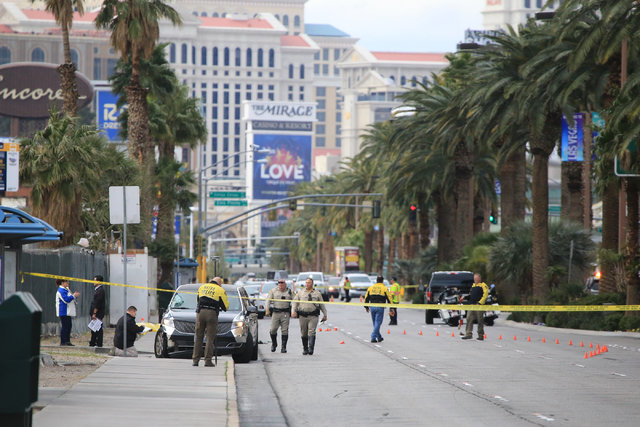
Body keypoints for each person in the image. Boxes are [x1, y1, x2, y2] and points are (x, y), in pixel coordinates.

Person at [193, 277, 229, 367]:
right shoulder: (220, 290)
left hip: (200, 313)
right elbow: (225, 307)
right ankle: (208, 360)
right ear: (219, 283)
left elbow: (198, 300)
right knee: (209, 338)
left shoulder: (202, 287)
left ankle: (195, 360)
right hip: (211, 314)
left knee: (198, 337)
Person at [292, 277, 327, 355]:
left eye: (309, 283)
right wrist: (293, 311)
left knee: (311, 331)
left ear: (312, 284)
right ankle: (305, 348)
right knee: (304, 333)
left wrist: (325, 314)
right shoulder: (300, 293)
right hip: (303, 316)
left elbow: (322, 305)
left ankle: (311, 349)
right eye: (306, 282)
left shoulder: (317, 293)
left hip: (313, 316)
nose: (307, 284)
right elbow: (295, 303)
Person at [265, 279, 293, 353]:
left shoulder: (289, 291)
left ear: (285, 284)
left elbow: (296, 300)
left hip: (285, 313)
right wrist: (267, 309)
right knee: (273, 330)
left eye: (282, 283)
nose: (280, 285)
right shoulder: (273, 291)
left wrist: (294, 311)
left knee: (285, 330)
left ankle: (283, 347)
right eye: (279, 283)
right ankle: (274, 343)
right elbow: (268, 300)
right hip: (276, 313)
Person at [364, 276, 393, 343]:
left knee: (375, 323)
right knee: (378, 322)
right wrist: (392, 307)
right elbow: (389, 298)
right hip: (380, 307)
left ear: (376, 280)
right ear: (382, 281)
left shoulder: (371, 288)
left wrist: (366, 307)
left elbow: (366, 298)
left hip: (372, 307)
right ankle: (373, 337)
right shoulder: (384, 288)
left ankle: (379, 337)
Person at [461, 273, 489, 341]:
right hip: (471, 305)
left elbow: (485, 295)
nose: (475, 280)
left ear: (479, 278)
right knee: (469, 319)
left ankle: (480, 335)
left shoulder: (483, 285)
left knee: (480, 320)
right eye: (474, 278)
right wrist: (464, 297)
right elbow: (470, 295)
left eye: (476, 278)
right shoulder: (473, 286)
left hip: (478, 306)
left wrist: (480, 303)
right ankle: (468, 334)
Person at [55, 279, 80, 346]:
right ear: (62, 283)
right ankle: (63, 342)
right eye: (66, 282)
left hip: (68, 312)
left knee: (69, 326)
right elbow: (66, 299)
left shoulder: (66, 289)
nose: (68, 283)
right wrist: (73, 296)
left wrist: (74, 296)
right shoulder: (61, 290)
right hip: (63, 311)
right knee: (65, 326)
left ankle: (67, 341)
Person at [89, 275, 106, 347]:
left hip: (98, 313)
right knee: (94, 328)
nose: (94, 282)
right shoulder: (97, 290)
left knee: (98, 328)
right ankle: (93, 342)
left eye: (95, 280)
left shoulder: (100, 291)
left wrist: (94, 313)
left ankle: (98, 343)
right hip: (96, 313)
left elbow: (98, 303)